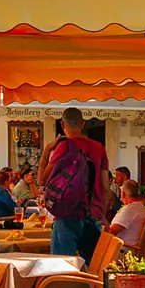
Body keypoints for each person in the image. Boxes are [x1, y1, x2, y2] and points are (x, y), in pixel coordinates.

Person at [41, 108, 110, 258]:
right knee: (92, 268)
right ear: (83, 123)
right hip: (93, 216)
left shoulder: (64, 146)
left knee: (62, 266)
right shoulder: (99, 148)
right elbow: (105, 187)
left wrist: (47, 150)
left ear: (62, 124)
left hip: (67, 214)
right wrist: (102, 213)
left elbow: (42, 179)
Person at [108, 179, 145, 248]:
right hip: (130, 248)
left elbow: (111, 231)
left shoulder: (130, 210)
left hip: (122, 249)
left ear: (123, 193)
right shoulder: (141, 207)